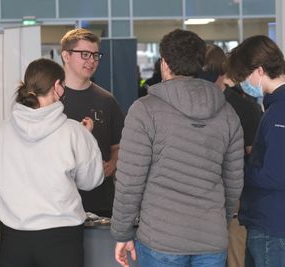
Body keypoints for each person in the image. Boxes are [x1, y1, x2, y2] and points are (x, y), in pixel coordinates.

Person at [110, 29, 245, 267]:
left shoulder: (144, 110)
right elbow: (233, 182)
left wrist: (122, 233)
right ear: (200, 64)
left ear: (165, 64)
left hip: (160, 239)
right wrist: (217, 223)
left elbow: (130, 181)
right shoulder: (228, 113)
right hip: (211, 239)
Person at [0, 58, 104, 267]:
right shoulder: (74, 132)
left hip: (14, 238)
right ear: (56, 87)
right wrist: (87, 138)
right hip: (62, 238)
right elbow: (91, 180)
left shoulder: (2, 133)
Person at [226, 35, 285, 267]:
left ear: (259, 70)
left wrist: (238, 165)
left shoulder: (279, 112)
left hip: (273, 225)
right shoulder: (273, 108)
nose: (243, 84)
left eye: (243, 76)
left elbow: (275, 174)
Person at [202, 44, 262, 267]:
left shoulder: (244, 109)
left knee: (235, 257)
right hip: (207, 202)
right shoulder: (245, 107)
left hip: (235, 203)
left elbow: (254, 158)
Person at [60, 28, 124, 218]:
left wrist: (113, 162)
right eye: (85, 54)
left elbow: (118, 145)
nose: (91, 61)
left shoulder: (106, 100)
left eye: (95, 55)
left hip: (101, 200)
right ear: (66, 55)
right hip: (61, 202)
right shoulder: (50, 99)